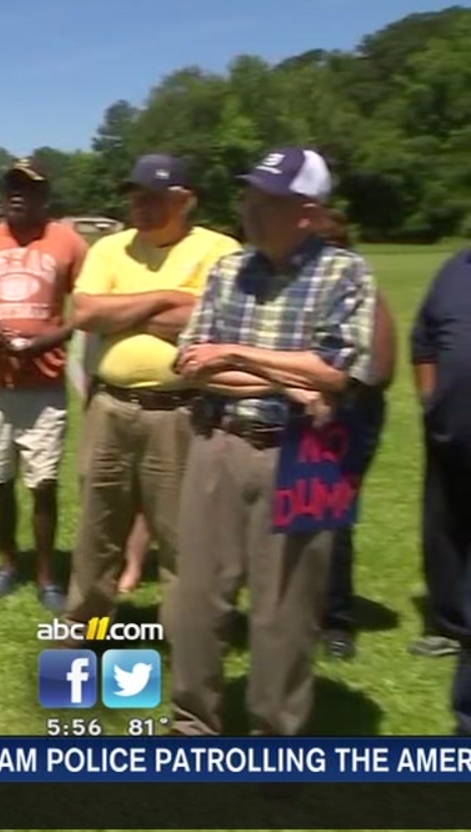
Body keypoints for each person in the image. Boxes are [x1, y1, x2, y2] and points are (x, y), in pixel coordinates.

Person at [169, 147, 378, 737]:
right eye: (248, 197)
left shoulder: (345, 272)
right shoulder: (229, 269)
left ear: (307, 213)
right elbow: (192, 364)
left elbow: (337, 373)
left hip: (311, 452)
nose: (250, 210)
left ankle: (277, 738)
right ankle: (192, 725)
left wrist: (236, 354)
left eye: (268, 201)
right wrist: (292, 377)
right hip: (219, 440)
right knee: (199, 597)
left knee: (286, 609)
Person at [61, 155, 240, 634]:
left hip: (182, 412)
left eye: (153, 197)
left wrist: (125, 312)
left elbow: (210, 320)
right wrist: (168, 298)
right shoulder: (110, 248)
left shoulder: (220, 249)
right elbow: (87, 312)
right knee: (98, 530)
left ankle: (189, 642)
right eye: (135, 196)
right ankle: (86, 629)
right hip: (110, 407)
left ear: (185, 200)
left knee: (182, 536)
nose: (140, 205)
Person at [0, 159, 87, 611]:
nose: (17, 195)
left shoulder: (67, 241)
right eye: (10, 187)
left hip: (44, 380)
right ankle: (8, 564)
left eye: (27, 189)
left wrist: (52, 337)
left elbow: (88, 305)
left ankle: (47, 575)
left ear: (44, 196)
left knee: (43, 481)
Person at [312, 210, 395, 660]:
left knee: (329, 517)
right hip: (299, 411)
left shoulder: (363, 292)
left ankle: (335, 619)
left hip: (347, 414)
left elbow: (380, 369)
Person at [411, 246, 471, 698]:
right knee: (444, 529)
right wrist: (431, 403)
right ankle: (452, 626)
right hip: (450, 430)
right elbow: (424, 340)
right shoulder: (455, 268)